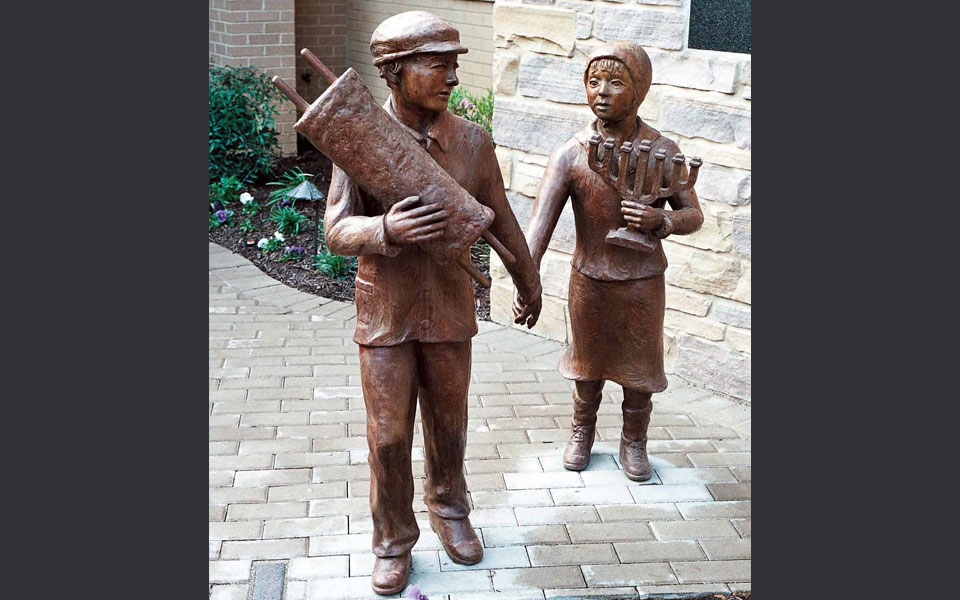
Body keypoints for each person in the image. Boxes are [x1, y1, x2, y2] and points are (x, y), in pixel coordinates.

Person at [323, 11, 543, 596]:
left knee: (450, 422)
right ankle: (393, 540)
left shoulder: (472, 142)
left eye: (454, 65)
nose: (450, 77)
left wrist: (528, 279)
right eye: (437, 64)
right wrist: (385, 231)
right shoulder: (358, 135)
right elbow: (336, 231)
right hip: (386, 312)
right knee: (388, 433)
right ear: (394, 72)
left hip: (447, 309)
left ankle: (450, 508)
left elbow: (503, 220)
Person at [515, 42, 703, 483]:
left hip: (642, 280)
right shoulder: (572, 153)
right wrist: (528, 280)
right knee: (587, 362)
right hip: (590, 279)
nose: (601, 91)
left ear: (638, 91)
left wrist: (664, 219)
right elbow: (538, 228)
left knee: (640, 367)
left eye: (616, 83)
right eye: (594, 81)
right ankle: (582, 430)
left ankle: (634, 441)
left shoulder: (662, 151)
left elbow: (693, 215)